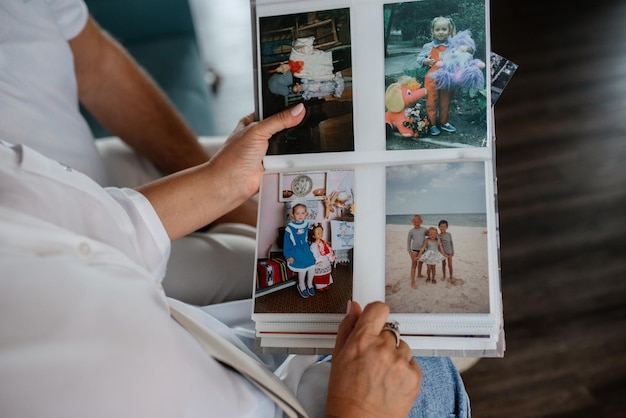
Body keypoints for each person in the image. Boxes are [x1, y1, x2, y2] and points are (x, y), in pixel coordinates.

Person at [0, 104, 470, 417]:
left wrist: (222, 182)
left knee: (382, 331)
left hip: (206, 341)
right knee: (428, 368)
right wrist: (358, 409)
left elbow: (105, 224)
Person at [0, 0, 257, 304]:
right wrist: (220, 189)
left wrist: (221, 187)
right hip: (53, 244)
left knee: (278, 166)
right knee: (265, 263)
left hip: (76, 170)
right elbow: (104, 230)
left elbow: (97, 66)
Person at [416, 16, 471, 137]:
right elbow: (419, 58)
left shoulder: (453, 45)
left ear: (449, 30)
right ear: (433, 31)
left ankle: (444, 122)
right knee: (431, 101)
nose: (441, 32)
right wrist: (425, 61)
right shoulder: (428, 46)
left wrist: (467, 48)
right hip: (432, 79)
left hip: (448, 79)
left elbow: (469, 52)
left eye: (444, 29)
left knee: (445, 101)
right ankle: (432, 124)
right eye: (438, 29)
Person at [283, 202, 318, 298]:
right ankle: (301, 285)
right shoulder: (289, 228)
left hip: (305, 249)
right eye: (297, 213)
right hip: (296, 250)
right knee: (302, 268)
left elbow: (308, 236)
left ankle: (310, 284)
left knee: (312, 265)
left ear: (306, 214)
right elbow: (286, 243)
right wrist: (288, 255)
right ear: (292, 215)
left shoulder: (307, 224)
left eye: (302, 213)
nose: (300, 215)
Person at [309, 223, 337, 291]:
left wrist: (330, 256)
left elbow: (327, 250)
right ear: (313, 235)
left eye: (321, 232)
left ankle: (326, 283)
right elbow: (314, 254)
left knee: (326, 272)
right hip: (319, 261)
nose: (320, 234)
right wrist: (318, 260)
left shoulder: (323, 242)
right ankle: (320, 286)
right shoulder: (313, 246)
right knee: (320, 274)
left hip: (325, 260)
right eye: (318, 233)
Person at [407, 214, 428, 289]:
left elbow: (432, 234)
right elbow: (408, 242)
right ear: (412, 222)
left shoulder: (424, 229)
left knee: (421, 263)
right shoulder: (411, 231)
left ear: (421, 222)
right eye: (415, 222)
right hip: (414, 250)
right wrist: (409, 251)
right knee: (414, 265)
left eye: (418, 222)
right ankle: (412, 282)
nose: (416, 223)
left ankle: (419, 274)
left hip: (422, 249)